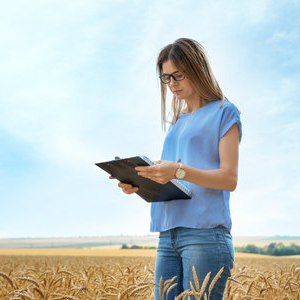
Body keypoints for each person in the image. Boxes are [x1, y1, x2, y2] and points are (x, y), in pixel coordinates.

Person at [112, 38, 242, 299]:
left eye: (177, 76)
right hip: (167, 234)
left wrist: (178, 170)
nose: (171, 84)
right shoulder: (177, 123)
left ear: (197, 69)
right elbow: (171, 177)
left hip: (204, 235)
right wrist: (139, 182)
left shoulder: (224, 112)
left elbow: (229, 179)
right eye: (165, 78)